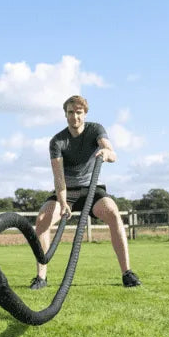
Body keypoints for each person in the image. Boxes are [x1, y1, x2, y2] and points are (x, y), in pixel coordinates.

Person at [30, 95, 141, 289]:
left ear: (85, 113)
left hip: (91, 189)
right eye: (71, 113)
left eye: (78, 113)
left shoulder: (95, 130)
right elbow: (59, 178)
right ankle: (41, 278)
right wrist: (63, 203)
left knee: (113, 213)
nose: (75, 117)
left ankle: (127, 273)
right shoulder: (57, 141)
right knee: (42, 219)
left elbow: (111, 152)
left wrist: (106, 153)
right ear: (65, 115)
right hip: (67, 190)